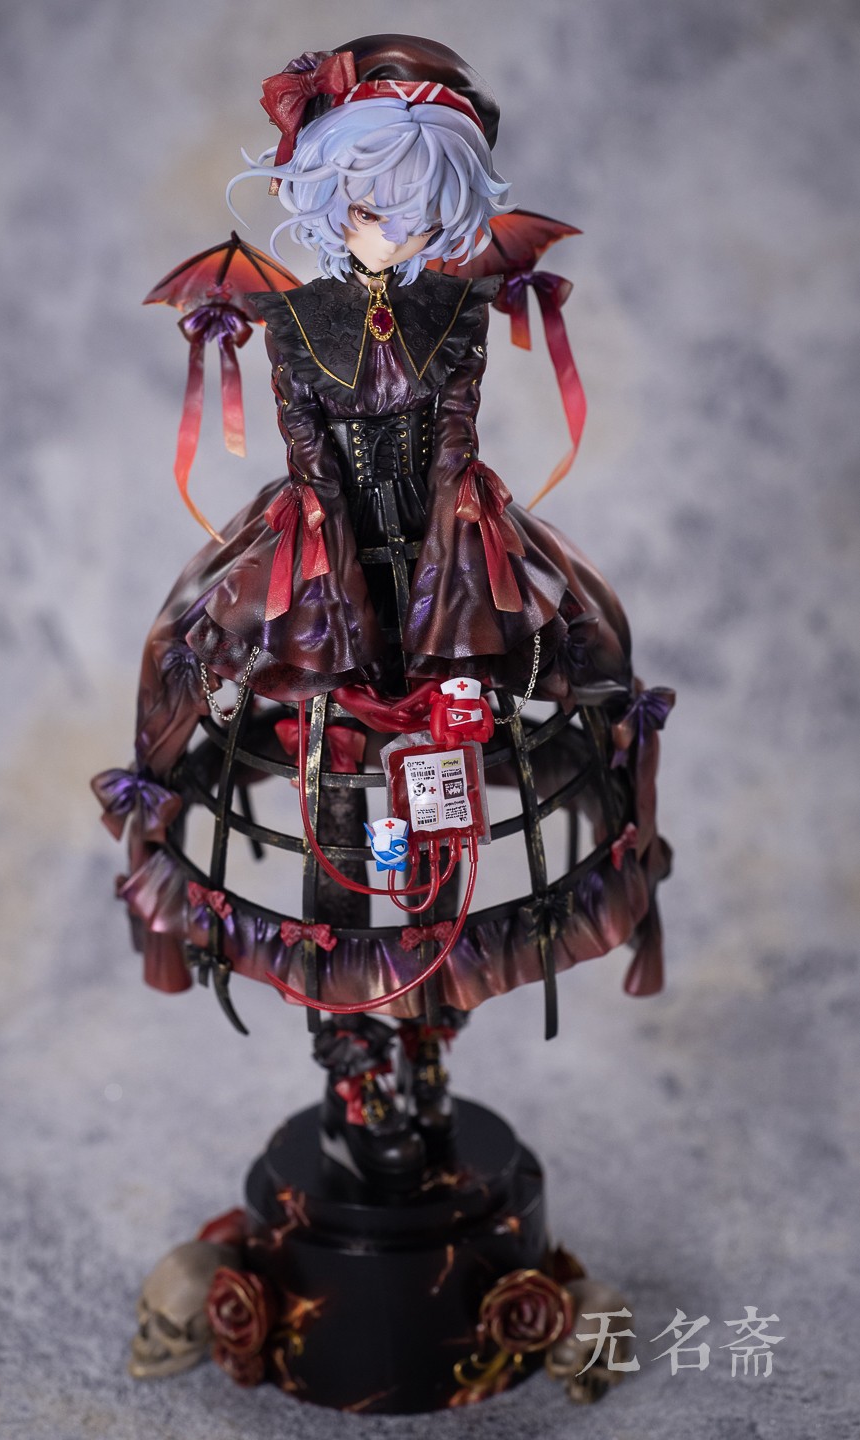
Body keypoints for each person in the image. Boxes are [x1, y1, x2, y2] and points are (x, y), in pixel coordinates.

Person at [93, 36, 673, 1190]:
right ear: (322, 198)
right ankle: (353, 1057)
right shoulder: (293, 320)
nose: (386, 230)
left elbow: (452, 441)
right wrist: (343, 583)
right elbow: (309, 453)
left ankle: (427, 1037)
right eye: (365, 206)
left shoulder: (457, 312)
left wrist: (447, 584)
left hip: (447, 542)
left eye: (413, 212)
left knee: (514, 714)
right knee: (262, 718)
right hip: (325, 550)